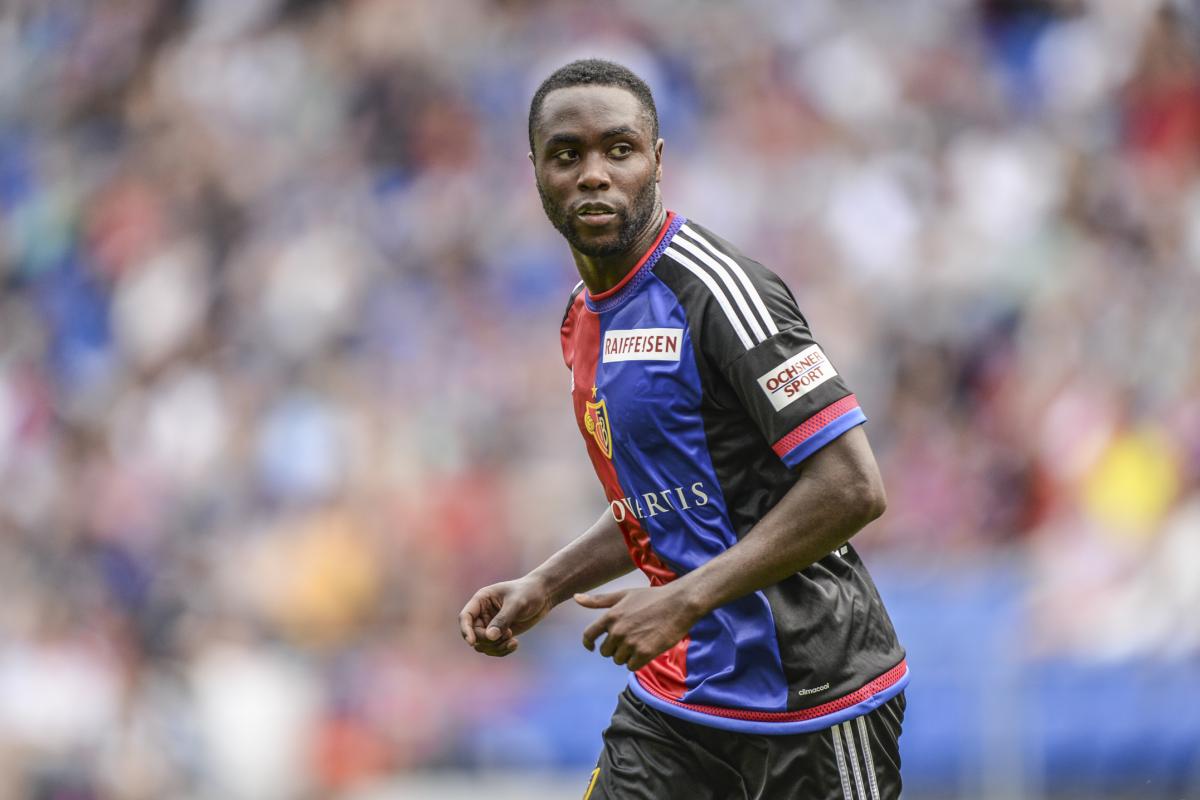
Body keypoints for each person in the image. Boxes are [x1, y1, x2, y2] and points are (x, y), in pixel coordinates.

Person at [458, 58, 907, 800]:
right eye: (567, 155)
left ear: (658, 160)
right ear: (535, 171)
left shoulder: (722, 292)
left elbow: (853, 487)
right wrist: (546, 585)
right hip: (678, 699)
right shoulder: (583, 317)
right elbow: (668, 499)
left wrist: (682, 599)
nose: (594, 174)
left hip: (814, 697)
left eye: (619, 150)